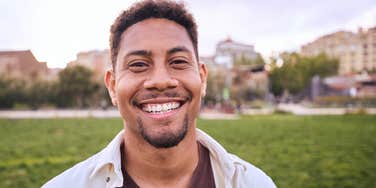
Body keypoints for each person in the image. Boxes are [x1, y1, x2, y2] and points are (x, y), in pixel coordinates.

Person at [42, 0, 276, 187]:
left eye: (178, 61)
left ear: (202, 78)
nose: (161, 81)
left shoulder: (254, 183)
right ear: (112, 85)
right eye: (138, 64)